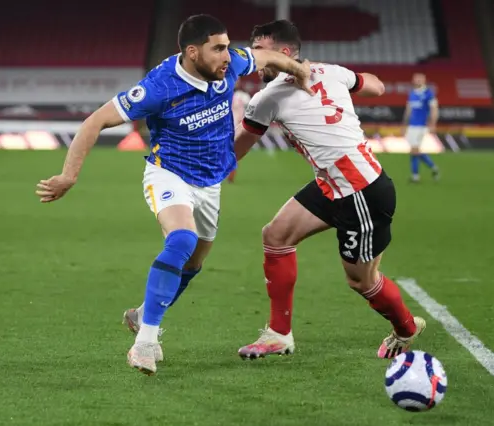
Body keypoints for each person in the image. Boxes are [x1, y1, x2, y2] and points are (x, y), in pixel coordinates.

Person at [35, 14, 314, 376]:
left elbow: (265, 58)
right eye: (218, 49)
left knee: (193, 264)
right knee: (181, 239)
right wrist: (68, 175)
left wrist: (297, 69)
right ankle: (145, 343)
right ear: (193, 52)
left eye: (228, 46)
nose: (228, 56)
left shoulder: (229, 65)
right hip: (169, 173)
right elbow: (95, 121)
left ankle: (141, 314)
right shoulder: (159, 87)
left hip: (210, 182)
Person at [232, 20, 426, 361]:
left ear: (285, 53)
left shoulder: (268, 97)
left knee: (362, 282)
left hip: (361, 191)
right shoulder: (330, 70)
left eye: (260, 52)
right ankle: (279, 334)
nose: (255, 60)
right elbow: (377, 87)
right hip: (334, 182)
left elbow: (236, 149)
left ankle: (406, 328)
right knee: (276, 235)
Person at [402, 73, 440, 182]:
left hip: (422, 125)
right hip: (412, 126)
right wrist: (404, 124)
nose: (418, 80)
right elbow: (408, 110)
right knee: (414, 150)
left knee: (414, 150)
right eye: (416, 79)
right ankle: (433, 167)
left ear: (424, 80)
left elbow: (434, 109)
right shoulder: (412, 93)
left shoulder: (428, 93)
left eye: (420, 79)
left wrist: (433, 123)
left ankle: (416, 176)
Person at [226, 80, 251, 183]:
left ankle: (230, 175)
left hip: (233, 128)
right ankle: (229, 174)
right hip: (237, 128)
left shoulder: (231, 95)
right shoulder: (244, 96)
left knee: (232, 153)